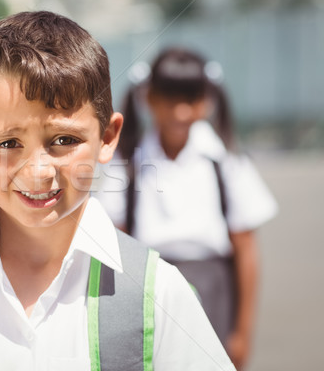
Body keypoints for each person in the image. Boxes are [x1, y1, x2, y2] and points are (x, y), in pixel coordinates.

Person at [0, 12, 235, 371]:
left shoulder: (159, 292)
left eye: (64, 139)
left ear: (107, 137)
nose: (36, 172)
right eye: (7, 143)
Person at [96, 48, 277, 370]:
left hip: (214, 294)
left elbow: (247, 250)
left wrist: (242, 332)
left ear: (208, 100)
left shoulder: (226, 162)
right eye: (169, 99)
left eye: (191, 99)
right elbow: (115, 246)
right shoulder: (128, 164)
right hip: (146, 290)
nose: (180, 112)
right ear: (148, 98)